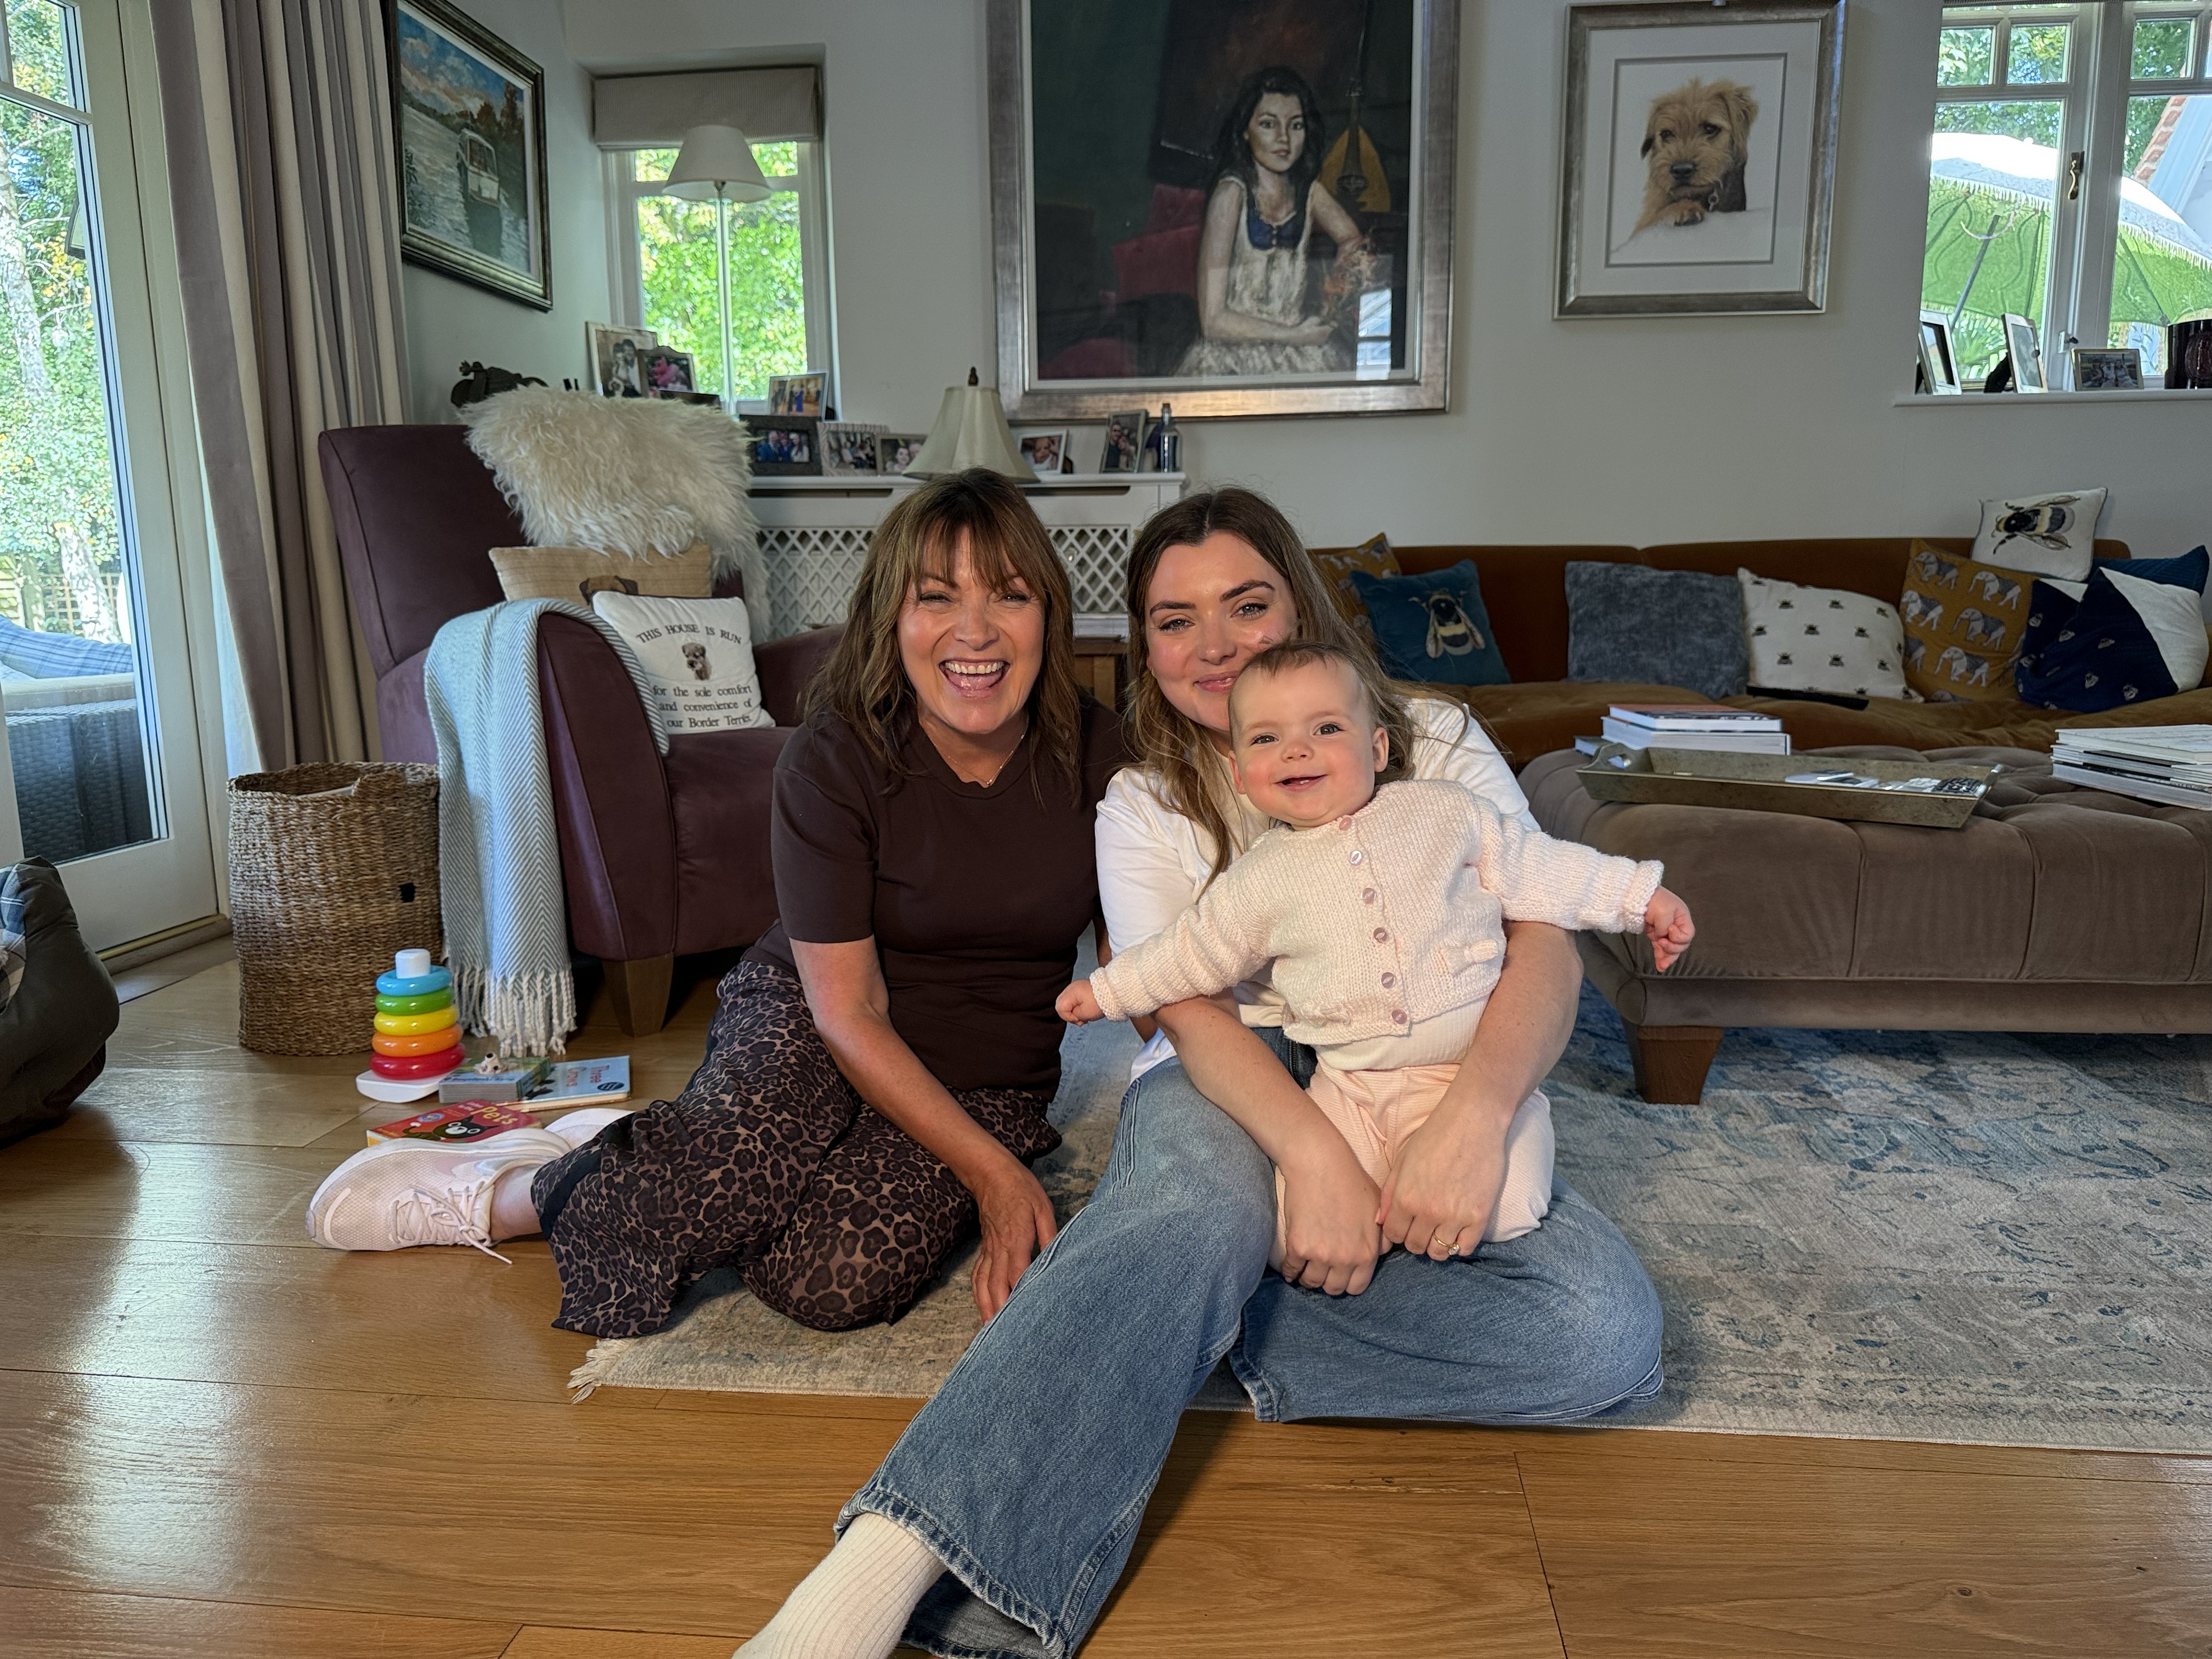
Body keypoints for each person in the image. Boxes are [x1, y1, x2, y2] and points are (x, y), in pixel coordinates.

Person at [737, 489, 1664, 1659]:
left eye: (1247, 605)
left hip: (1430, 1058)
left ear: (1302, 603)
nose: (1215, 645)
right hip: (1232, 1063)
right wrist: (1314, 1151)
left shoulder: (1424, 732)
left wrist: (1477, 1114)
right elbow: (1183, 999)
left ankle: (1136, 1315)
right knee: (1201, 1203)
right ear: (1142, 644)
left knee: (1602, 1333)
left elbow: (1544, 930)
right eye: (1176, 620)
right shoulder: (1142, 791)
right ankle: (881, 1570)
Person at [305, 469, 1124, 1339]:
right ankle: (503, 1192)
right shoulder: (834, 755)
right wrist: (995, 1180)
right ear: (893, 617)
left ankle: (684, 1147)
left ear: (1051, 615)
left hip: (984, 1072)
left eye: (1010, 595)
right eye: (936, 597)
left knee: (833, 1282)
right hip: (816, 1014)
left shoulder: (1105, 755)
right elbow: (849, 1010)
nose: (975, 632)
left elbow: (1141, 968)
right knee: (729, 1174)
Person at [1062, 639, 1694, 1263]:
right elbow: (1189, 956)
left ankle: (1414, 1232)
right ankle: (1379, 1244)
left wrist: (1641, 898)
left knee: (1510, 1209)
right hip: (1349, 1091)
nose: (1297, 749)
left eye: (1326, 727)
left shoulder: (1447, 814)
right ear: (1239, 774)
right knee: (1295, 1233)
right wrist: (1107, 991)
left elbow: (1543, 869)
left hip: (1465, 1074)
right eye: (1265, 739)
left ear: (1378, 746)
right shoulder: (1256, 880)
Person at [1176, 66, 1376, 380]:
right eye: (1269, 125)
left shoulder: (1310, 193)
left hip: (1298, 353)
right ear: (1246, 130)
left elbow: (1352, 240)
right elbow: (1213, 322)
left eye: (1295, 126)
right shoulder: (1231, 195)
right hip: (1229, 357)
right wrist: (1295, 336)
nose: (1284, 139)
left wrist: (1331, 298)